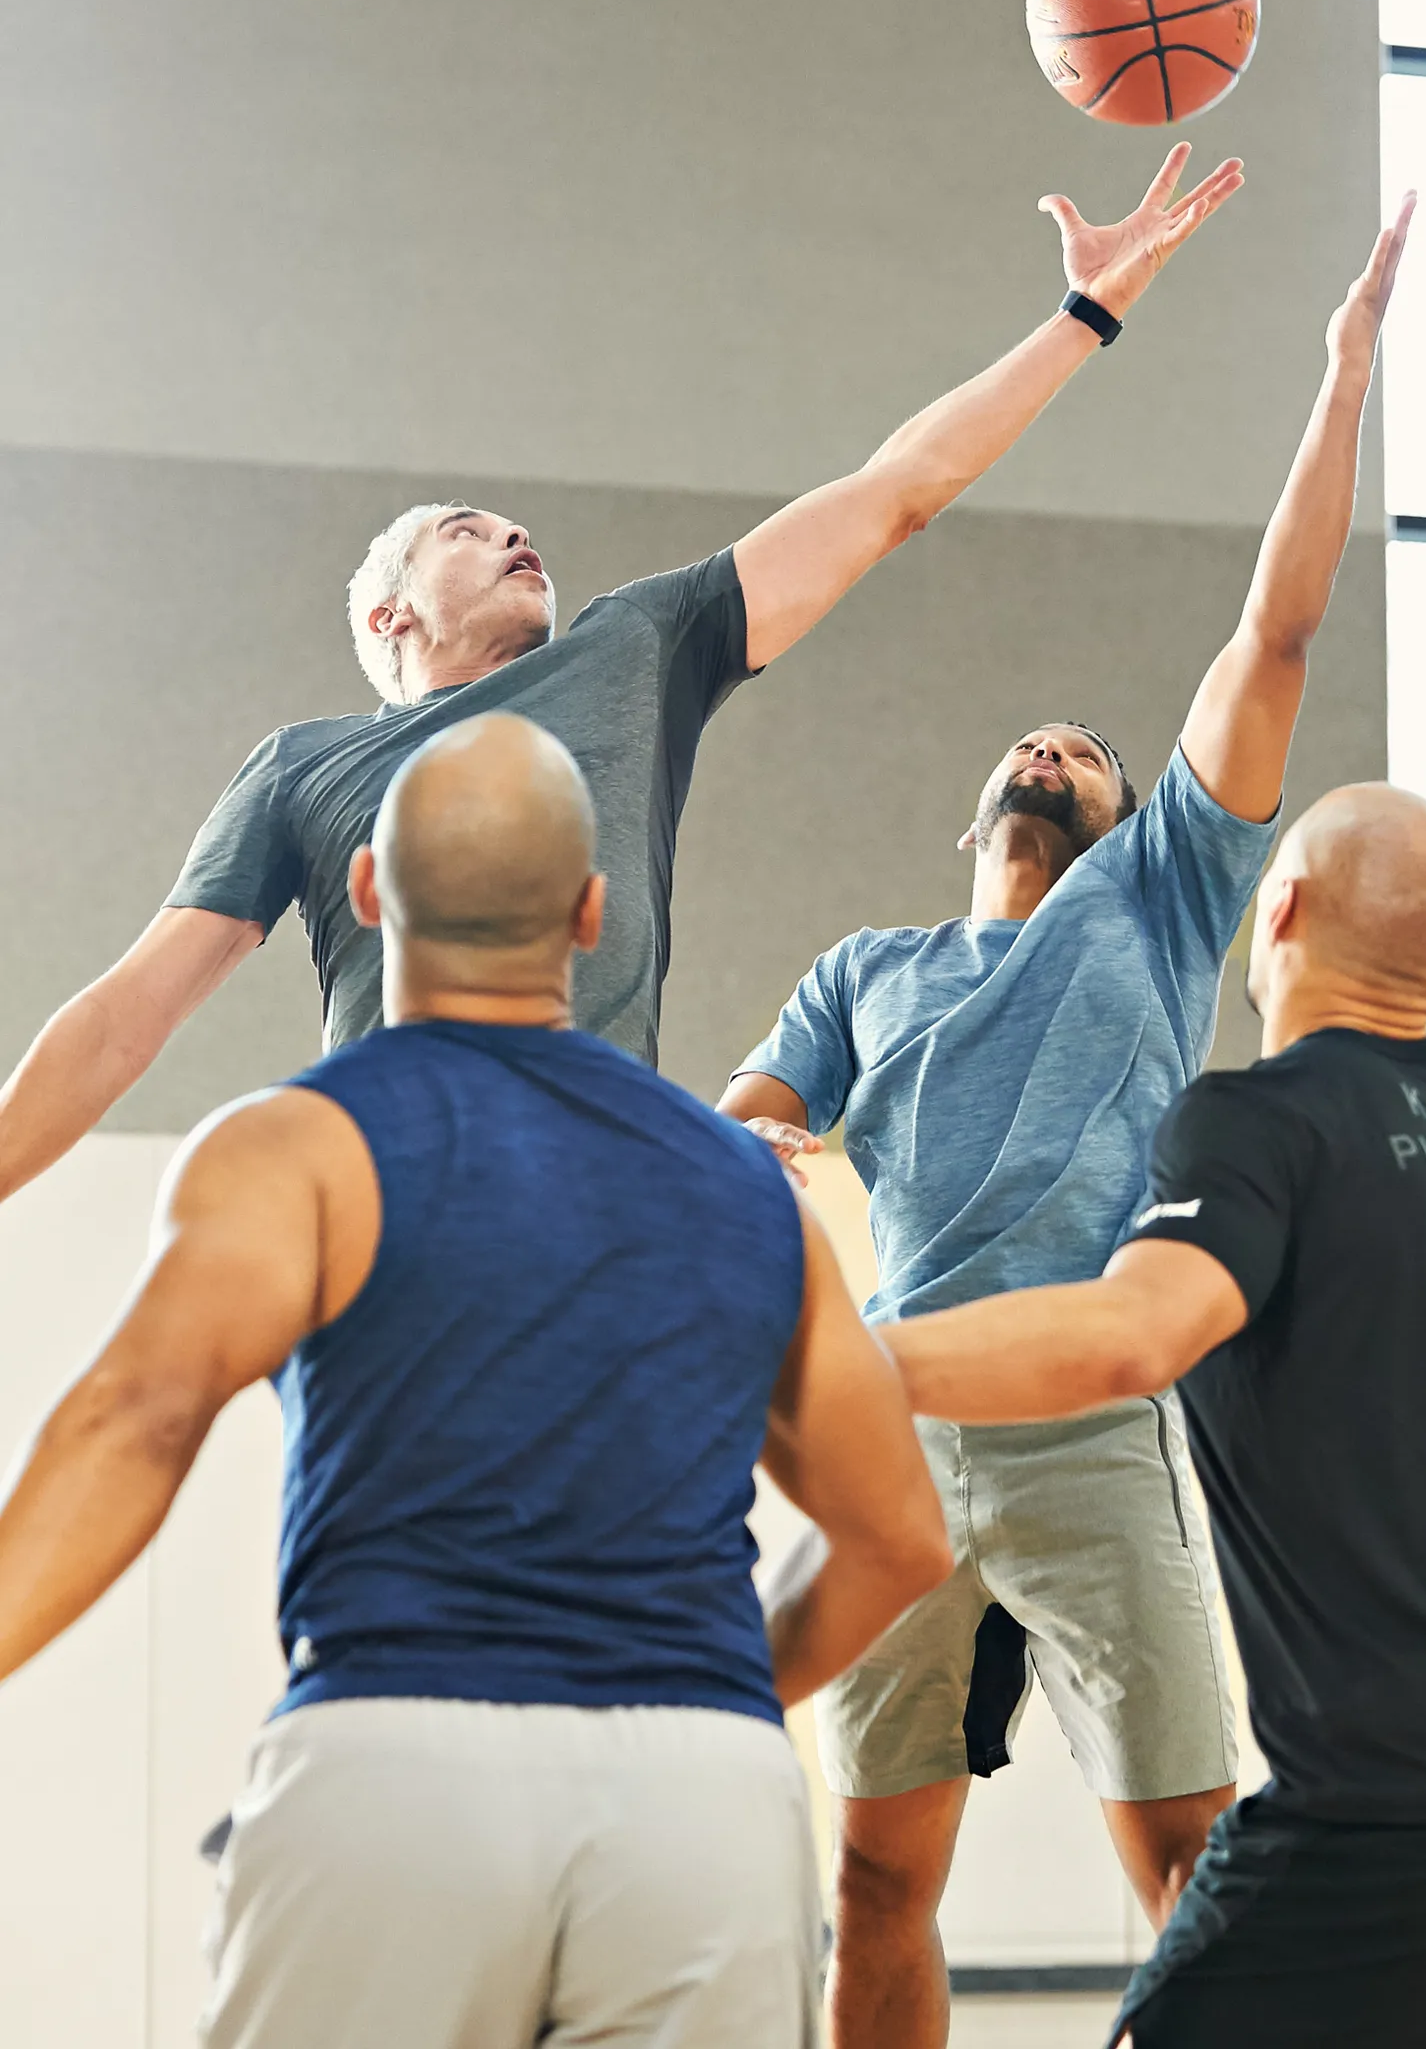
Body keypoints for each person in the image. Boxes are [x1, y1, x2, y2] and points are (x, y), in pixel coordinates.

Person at [0, 144, 1242, 1202]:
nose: (511, 536)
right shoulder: (304, 768)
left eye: (514, 527)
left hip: (601, 1185)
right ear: (388, 612)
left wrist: (1085, 316)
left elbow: (894, 492)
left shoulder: (635, 644)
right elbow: (125, 1015)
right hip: (393, 1178)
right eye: (466, 533)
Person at [721, 193, 1418, 2049]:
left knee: (1195, 1853)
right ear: (978, 815)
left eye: (1091, 746)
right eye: (1031, 745)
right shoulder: (870, 965)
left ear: (1127, 815)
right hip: (901, 1431)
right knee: (873, 1883)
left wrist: (1340, 377)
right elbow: (740, 1123)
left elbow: (1272, 636)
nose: (1056, 743)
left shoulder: (1168, 895)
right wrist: (753, 1151)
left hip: (1098, 1426)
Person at [0, 714, 952, 2048]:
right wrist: (703, 1683)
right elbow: (901, 1534)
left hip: (395, 1768)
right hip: (704, 1799)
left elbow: (131, 1423)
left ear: (370, 891)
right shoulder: (751, 1185)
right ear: (590, 912)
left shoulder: (294, 1149)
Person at [882, 728, 1426, 2049]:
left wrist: (835, 1363)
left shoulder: (1252, 1124)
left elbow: (1129, 1336)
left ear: (1271, 910)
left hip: (1391, 1802)